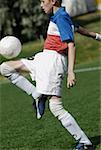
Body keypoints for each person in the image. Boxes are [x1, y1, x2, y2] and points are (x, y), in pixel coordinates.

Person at [0, 0, 95, 149]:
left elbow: (71, 45)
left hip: (53, 62)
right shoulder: (60, 15)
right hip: (44, 57)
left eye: (43, 1)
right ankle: (37, 95)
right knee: (5, 68)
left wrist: (70, 72)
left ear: (53, 1)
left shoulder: (61, 17)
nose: (41, 5)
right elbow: (80, 29)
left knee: (56, 107)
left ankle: (85, 143)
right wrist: (97, 36)